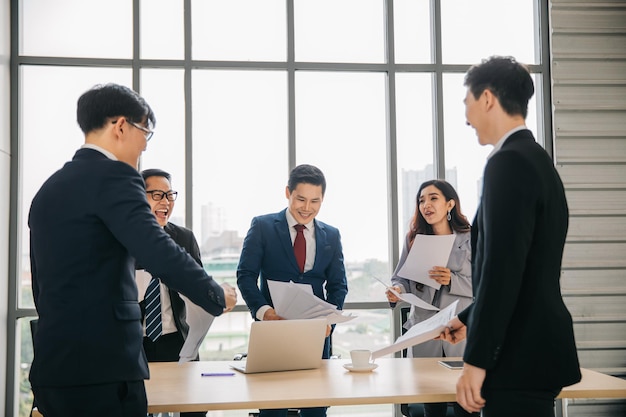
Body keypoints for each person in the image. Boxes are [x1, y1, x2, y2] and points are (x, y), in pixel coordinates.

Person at [28, 83, 237, 417]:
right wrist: (215, 294)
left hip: (57, 366)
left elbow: (42, 283)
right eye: (146, 132)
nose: (144, 146)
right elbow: (158, 249)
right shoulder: (116, 177)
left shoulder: (49, 189)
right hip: (105, 370)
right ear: (121, 126)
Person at [440, 56, 581, 417]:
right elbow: (524, 270)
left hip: (518, 355)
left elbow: (503, 272)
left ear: (487, 98)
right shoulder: (537, 160)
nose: (466, 117)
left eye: (466, 103)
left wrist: (476, 361)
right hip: (536, 348)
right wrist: (469, 319)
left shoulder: (508, 163)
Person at [237, 164, 348, 417]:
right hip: (273, 330)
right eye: (300, 199)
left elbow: (338, 285)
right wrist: (265, 312)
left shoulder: (331, 235)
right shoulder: (263, 226)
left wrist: (330, 319)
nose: (307, 208)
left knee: (315, 408)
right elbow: (245, 275)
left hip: (316, 334)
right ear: (287, 192)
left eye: (315, 201)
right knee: (272, 408)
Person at [386, 179, 475, 417]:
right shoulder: (413, 239)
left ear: (450, 205)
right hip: (425, 328)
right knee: (431, 405)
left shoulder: (472, 238)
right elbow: (401, 278)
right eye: (421, 200)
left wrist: (452, 280)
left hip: (461, 330)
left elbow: (487, 285)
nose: (426, 204)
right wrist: (397, 290)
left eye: (433, 198)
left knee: (465, 404)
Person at [138, 168, 207, 417]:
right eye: (157, 195)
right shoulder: (122, 242)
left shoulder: (184, 239)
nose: (166, 202)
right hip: (136, 344)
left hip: (177, 340)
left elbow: (200, 288)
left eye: (170, 195)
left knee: (195, 409)